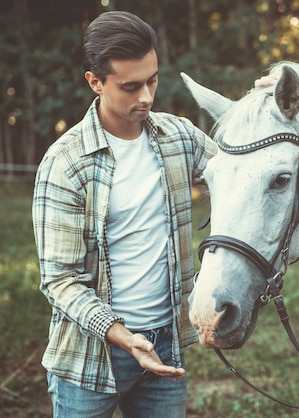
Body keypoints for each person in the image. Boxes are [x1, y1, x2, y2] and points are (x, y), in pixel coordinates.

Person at [32, 11, 217, 418]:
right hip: (90, 357)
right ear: (95, 82)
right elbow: (60, 280)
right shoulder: (65, 163)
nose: (147, 97)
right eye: (130, 87)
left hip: (165, 346)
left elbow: (240, 173)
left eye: (152, 80)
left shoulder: (179, 137)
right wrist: (121, 335)